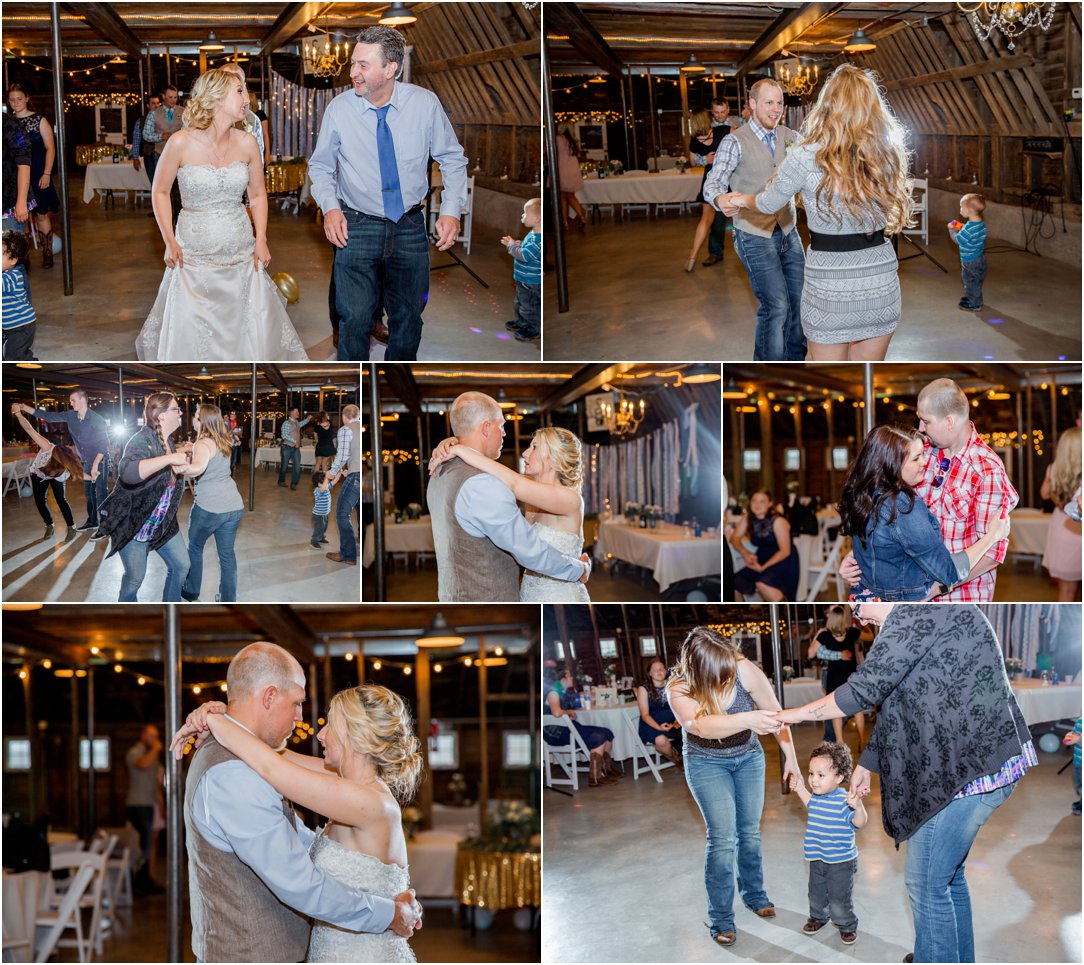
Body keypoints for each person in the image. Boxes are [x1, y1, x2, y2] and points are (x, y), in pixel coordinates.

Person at [775, 603, 1035, 964]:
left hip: (968, 773)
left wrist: (789, 715)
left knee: (926, 885)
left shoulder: (912, 618)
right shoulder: (913, 621)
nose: (856, 613)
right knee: (947, 877)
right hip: (973, 769)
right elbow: (900, 701)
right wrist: (867, 762)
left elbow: (861, 691)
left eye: (858, 600)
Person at [166, 643, 422, 962]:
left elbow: (276, 766)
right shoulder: (235, 773)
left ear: (355, 736)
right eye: (298, 703)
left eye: (331, 724)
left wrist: (219, 721)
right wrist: (221, 719)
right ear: (270, 696)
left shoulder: (364, 798)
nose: (314, 729)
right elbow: (302, 874)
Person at [723, 65, 912, 362]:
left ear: (828, 104)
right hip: (879, 281)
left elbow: (769, 202)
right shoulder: (887, 151)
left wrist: (740, 199)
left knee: (830, 381)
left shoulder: (806, 153)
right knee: (866, 377)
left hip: (829, 284)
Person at [309, 25, 469, 361]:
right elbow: (320, 167)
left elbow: (453, 160)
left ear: (390, 68)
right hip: (355, 225)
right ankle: (356, 384)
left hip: (410, 226)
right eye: (354, 63)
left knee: (409, 319)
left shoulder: (424, 105)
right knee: (354, 319)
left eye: (363, 65)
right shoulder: (340, 109)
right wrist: (331, 208)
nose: (353, 72)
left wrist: (451, 210)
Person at [135, 70, 308, 361]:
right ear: (216, 99)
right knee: (194, 332)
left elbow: (257, 195)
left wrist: (261, 239)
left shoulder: (247, 143)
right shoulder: (180, 142)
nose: (246, 98)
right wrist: (168, 239)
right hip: (192, 257)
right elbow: (160, 192)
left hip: (240, 254)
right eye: (239, 91)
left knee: (243, 329)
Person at [667, 626, 800, 947]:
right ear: (699, 671)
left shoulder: (744, 670)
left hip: (748, 758)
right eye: (719, 676)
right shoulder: (679, 687)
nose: (726, 680)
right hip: (705, 762)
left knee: (750, 832)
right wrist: (749, 719)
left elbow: (777, 716)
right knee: (722, 839)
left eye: (728, 672)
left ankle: (754, 894)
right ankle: (721, 919)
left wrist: (792, 759)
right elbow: (698, 725)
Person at [840, 379, 1018, 601]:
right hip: (912, 589)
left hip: (960, 596)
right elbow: (888, 516)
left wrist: (936, 589)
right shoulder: (920, 452)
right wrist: (865, 555)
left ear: (949, 421)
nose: (921, 428)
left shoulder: (986, 470)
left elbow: (992, 553)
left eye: (926, 421)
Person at [426, 392, 590, 601]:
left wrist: (462, 448)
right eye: (501, 426)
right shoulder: (509, 488)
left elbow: (513, 483)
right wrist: (455, 444)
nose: (524, 453)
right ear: (486, 427)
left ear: (554, 457)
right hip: (517, 596)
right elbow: (512, 484)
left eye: (534, 447)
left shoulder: (440, 473)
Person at [704, 78, 805, 362]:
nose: (775, 109)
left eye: (779, 103)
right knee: (777, 306)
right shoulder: (735, 141)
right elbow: (713, 184)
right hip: (753, 234)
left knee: (799, 303)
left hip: (788, 229)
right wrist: (720, 199)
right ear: (752, 104)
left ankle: (795, 363)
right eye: (768, 103)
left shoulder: (791, 136)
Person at [95, 393, 191, 602]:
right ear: (162, 415)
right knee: (135, 579)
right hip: (134, 525)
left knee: (182, 565)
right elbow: (128, 472)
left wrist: (180, 453)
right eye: (177, 408)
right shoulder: (140, 439)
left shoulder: (168, 440)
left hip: (162, 523)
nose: (181, 412)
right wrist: (170, 458)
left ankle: (171, 608)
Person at [789, 740, 866, 945]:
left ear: (839, 777)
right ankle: (818, 917)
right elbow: (811, 806)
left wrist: (858, 807)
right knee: (816, 892)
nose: (813, 780)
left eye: (820, 775)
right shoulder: (817, 796)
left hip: (841, 862)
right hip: (817, 856)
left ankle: (846, 924)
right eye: (811, 773)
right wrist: (799, 789)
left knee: (839, 898)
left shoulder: (844, 800)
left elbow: (859, 822)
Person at [174, 404, 245, 602]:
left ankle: (191, 590)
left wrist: (182, 468)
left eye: (196, 416)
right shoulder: (223, 439)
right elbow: (205, 452)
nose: (193, 419)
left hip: (210, 509)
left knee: (195, 547)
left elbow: (198, 467)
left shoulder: (203, 444)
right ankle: (228, 598)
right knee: (227, 555)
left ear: (203, 420)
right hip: (234, 506)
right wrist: (188, 447)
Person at [23, 390, 110, 533]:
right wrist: (25, 408)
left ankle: (105, 525)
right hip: (87, 460)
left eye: (73, 400)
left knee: (100, 493)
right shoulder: (71, 415)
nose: (71, 403)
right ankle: (93, 521)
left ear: (83, 400)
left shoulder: (96, 419)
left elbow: (103, 445)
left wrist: (95, 466)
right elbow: (49, 417)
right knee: (89, 494)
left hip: (100, 459)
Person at [11, 404, 83, 541]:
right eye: (73, 447)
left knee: (61, 500)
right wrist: (18, 414)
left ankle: (71, 527)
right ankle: (49, 524)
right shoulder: (47, 446)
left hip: (56, 476)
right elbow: (29, 429)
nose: (74, 450)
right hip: (40, 474)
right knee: (39, 501)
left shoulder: (67, 460)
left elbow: (80, 472)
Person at [7, 84, 58, 268]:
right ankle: (23, 255)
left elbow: (50, 148)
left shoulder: (39, 120)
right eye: (12, 99)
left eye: (19, 98)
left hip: (38, 172)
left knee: (42, 214)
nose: (16, 103)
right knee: (22, 216)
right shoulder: (8, 122)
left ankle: (47, 252)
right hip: (15, 176)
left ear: (27, 98)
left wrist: (47, 173)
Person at [543, 666, 620, 787]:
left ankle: (606, 768)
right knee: (598, 736)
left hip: (568, 728)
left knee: (607, 732)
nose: (572, 677)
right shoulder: (553, 692)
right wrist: (569, 712)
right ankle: (595, 777)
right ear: (562, 678)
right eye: (569, 675)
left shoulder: (564, 691)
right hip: (556, 733)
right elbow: (557, 712)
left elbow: (574, 702)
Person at [729, 490, 799, 601]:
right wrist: (745, 553)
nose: (757, 505)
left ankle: (781, 615)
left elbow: (785, 551)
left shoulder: (778, 521)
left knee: (762, 583)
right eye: (754, 501)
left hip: (783, 560)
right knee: (734, 582)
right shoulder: (748, 518)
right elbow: (734, 538)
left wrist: (762, 568)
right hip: (761, 558)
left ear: (770, 504)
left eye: (762, 501)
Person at [812, 606, 865, 749]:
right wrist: (862, 623)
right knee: (858, 709)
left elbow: (811, 654)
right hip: (851, 675)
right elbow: (870, 636)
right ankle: (862, 741)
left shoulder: (825, 635)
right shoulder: (853, 633)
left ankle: (840, 742)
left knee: (836, 710)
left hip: (835, 676)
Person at [1040, 426, 1082, 601]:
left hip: (1062, 526)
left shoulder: (1053, 468)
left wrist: (1052, 478)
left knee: (1066, 591)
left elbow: (1044, 494)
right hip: (1078, 527)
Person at [125, 724, 164, 893]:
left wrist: (161, 804)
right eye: (150, 736)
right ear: (142, 735)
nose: (154, 740)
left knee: (147, 844)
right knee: (139, 846)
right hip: (138, 804)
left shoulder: (152, 756)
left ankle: (146, 880)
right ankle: (137, 882)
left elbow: (155, 783)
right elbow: (142, 764)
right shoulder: (135, 752)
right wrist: (156, 749)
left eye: (156, 736)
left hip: (149, 803)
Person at [699, 98, 735, 268]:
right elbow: (695, 153)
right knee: (718, 219)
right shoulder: (707, 129)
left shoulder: (739, 123)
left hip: (738, 176)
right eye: (716, 112)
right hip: (719, 179)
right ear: (712, 112)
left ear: (728, 109)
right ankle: (715, 252)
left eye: (723, 111)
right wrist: (703, 159)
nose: (720, 115)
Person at [685, 109, 722, 273]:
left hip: (711, 181)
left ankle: (692, 257)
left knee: (705, 220)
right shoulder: (723, 131)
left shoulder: (694, 141)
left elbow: (692, 162)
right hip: (729, 179)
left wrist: (705, 160)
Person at [325, 404, 362, 567]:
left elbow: (343, 454)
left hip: (356, 475)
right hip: (360, 474)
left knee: (342, 513)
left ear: (344, 416)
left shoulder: (345, 429)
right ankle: (361, 544)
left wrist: (332, 472)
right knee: (361, 511)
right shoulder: (361, 427)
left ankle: (348, 554)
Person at [501, 197, 541, 342]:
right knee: (520, 302)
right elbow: (526, 248)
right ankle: (521, 322)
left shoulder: (538, 240)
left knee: (529, 306)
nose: (522, 216)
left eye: (525, 214)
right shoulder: (533, 233)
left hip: (531, 281)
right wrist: (520, 244)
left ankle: (533, 328)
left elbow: (524, 256)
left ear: (537, 218)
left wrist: (512, 246)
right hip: (523, 279)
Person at [636, 658, 682, 765]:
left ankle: (683, 758)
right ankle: (678, 761)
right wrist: (659, 727)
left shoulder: (672, 685)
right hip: (651, 724)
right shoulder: (643, 689)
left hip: (672, 723)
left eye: (662, 669)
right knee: (661, 741)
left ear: (666, 671)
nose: (659, 672)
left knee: (692, 731)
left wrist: (676, 722)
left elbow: (679, 707)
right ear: (650, 673)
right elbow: (645, 715)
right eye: (655, 670)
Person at [948, 193, 987, 312]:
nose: (960, 209)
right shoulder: (979, 224)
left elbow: (958, 239)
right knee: (976, 280)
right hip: (979, 258)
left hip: (970, 261)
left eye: (961, 207)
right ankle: (974, 298)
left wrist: (952, 230)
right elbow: (967, 229)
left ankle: (974, 304)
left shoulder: (969, 229)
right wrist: (959, 226)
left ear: (969, 211)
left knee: (970, 281)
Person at [3, 229, 36, 360]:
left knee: (15, 356)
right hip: (9, 325)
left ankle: (32, 368)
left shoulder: (12, 277)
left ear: (13, 260)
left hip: (21, 326)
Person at [2, 110, 32, 233]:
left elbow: (24, 163)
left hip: (9, 201)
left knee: (8, 250)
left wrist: (21, 202)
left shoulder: (10, 123)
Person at [554, 128, 586, 231]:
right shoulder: (573, 140)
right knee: (571, 196)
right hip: (573, 167)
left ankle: (564, 222)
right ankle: (581, 216)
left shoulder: (558, 139)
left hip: (562, 167)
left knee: (562, 197)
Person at [130, 94, 161, 187]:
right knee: (154, 183)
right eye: (153, 103)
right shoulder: (141, 121)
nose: (156, 106)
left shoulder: (164, 119)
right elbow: (136, 140)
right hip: (149, 155)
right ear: (148, 105)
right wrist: (135, 158)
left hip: (163, 155)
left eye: (157, 103)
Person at [278, 407, 311, 490]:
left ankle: (294, 483)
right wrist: (295, 441)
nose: (298, 413)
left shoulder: (296, 422)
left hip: (295, 449)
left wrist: (307, 419)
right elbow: (284, 435)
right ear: (291, 413)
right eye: (297, 412)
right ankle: (281, 481)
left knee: (297, 467)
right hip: (286, 448)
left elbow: (301, 424)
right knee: (284, 467)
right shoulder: (286, 423)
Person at [311, 469, 337, 548]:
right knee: (318, 528)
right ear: (319, 484)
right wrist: (327, 477)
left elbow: (335, 481)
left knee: (324, 527)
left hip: (325, 513)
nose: (327, 483)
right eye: (325, 481)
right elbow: (322, 489)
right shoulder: (318, 490)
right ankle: (314, 541)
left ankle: (321, 537)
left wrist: (339, 472)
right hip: (318, 515)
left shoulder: (326, 487)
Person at [1066, 718, 1082, 816]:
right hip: (1078, 760)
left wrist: (1079, 739)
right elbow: (1076, 732)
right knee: (1078, 782)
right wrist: (1070, 735)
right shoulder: (1080, 721)